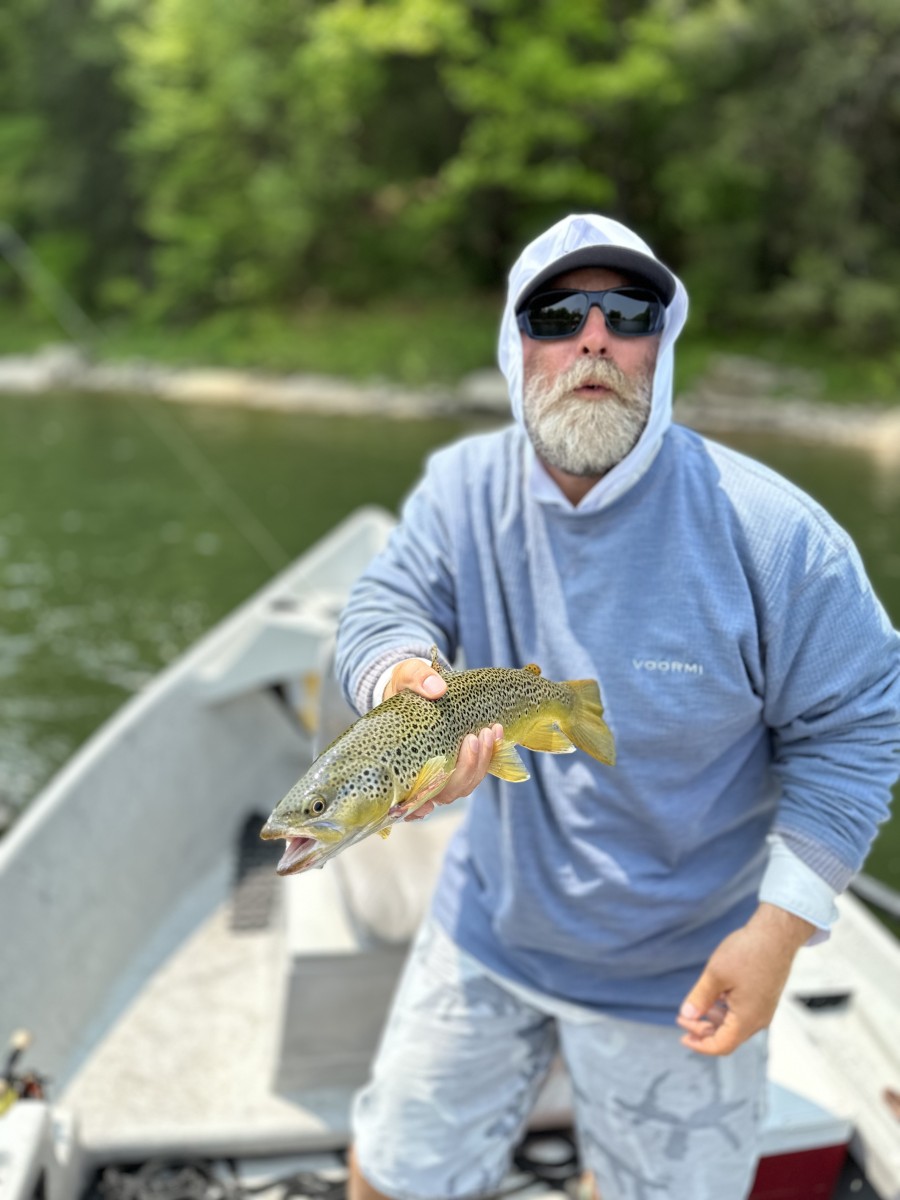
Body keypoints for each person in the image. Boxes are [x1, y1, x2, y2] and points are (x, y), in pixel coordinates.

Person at [335, 212, 900, 1200]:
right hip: (486, 926)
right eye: (557, 314)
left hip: (684, 969)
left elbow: (858, 731)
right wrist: (399, 682)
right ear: (518, 351)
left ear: (661, 343)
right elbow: (389, 605)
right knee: (388, 1176)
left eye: (627, 311)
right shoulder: (461, 488)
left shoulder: (779, 539)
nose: (593, 336)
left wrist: (778, 933)